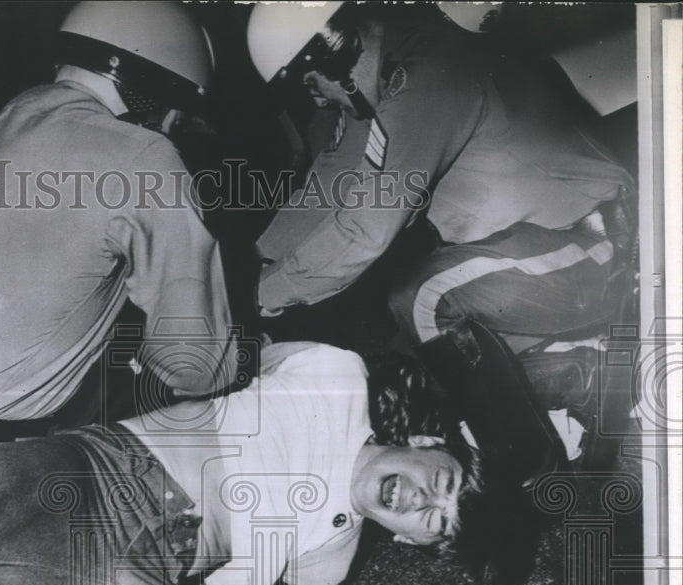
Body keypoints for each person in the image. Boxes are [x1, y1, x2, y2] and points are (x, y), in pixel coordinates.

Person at [244, 2, 636, 482]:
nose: (319, 102)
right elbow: (328, 185)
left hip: (597, 248)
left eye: (310, 85)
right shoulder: (393, 79)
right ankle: (584, 378)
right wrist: (247, 269)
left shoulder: (429, 76)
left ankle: (530, 469)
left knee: (423, 297)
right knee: (413, 379)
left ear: (335, 51)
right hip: (542, 257)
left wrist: (263, 297)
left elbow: (367, 228)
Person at [0, 1, 236, 446]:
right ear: (158, 89)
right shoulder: (145, 156)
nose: (172, 126)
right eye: (177, 113)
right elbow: (195, 365)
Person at [0, 342, 485, 585]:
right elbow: (245, 365)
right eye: (443, 483)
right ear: (426, 440)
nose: (422, 501)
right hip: (110, 478)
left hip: (149, 577)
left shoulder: (331, 564)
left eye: (436, 520)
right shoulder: (338, 374)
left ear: (408, 541)